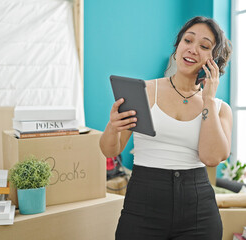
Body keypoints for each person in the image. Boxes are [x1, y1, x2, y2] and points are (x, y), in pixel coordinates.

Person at [100, 16, 233, 240]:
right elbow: (109, 151)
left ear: (215, 60)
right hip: (143, 204)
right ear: (177, 46)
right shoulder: (143, 91)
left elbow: (211, 158)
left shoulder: (220, 109)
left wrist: (208, 99)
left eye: (204, 46)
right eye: (187, 41)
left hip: (198, 209)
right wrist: (113, 128)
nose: (192, 49)